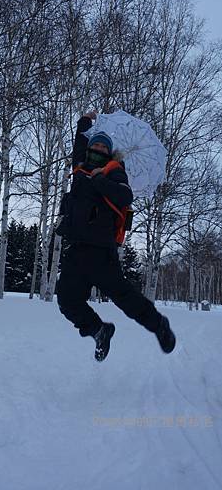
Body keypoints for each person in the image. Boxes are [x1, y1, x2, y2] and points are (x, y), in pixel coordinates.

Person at [56, 111, 176, 362]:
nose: (98, 147)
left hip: (100, 251)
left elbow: (125, 197)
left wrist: (100, 180)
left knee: (125, 298)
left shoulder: (114, 170)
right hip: (76, 250)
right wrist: (84, 122)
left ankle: (158, 325)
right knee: (67, 301)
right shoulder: (80, 168)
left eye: (103, 145)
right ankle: (99, 330)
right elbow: (78, 144)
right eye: (95, 144)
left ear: (109, 151)